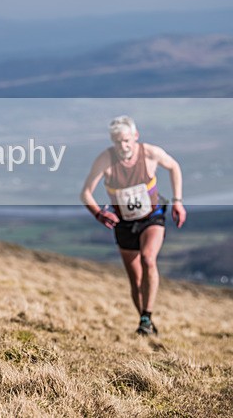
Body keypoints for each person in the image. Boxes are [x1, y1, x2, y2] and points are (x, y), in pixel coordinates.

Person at [80, 115, 186, 336]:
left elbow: (174, 166)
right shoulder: (105, 160)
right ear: (112, 141)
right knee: (135, 279)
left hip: (152, 217)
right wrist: (99, 213)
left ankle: (146, 315)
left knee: (148, 259)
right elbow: (85, 193)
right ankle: (145, 322)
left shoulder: (149, 153)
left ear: (135, 136)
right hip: (125, 224)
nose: (123, 145)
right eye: (118, 141)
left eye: (127, 140)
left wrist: (177, 201)